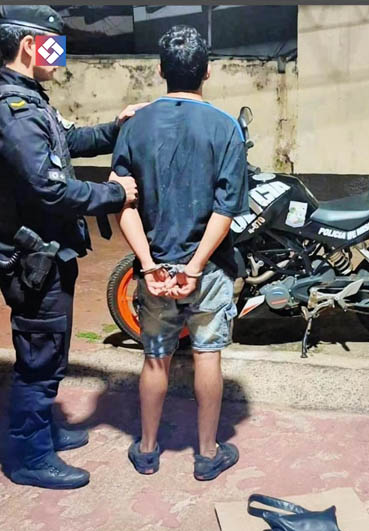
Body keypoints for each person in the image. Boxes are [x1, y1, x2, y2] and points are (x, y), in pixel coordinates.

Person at [0, 5, 141, 489]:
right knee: (39, 359)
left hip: (49, 252)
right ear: (28, 45)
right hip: (32, 257)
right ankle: (29, 457)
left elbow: (70, 141)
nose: (60, 59)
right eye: (54, 47)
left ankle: (40, 432)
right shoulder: (13, 111)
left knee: (50, 351)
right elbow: (50, 189)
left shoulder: (29, 99)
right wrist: (114, 194)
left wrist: (116, 128)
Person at [112, 25, 248, 481]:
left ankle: (147, 449)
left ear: (160, 71)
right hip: (206, 270)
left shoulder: (135, 126)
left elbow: (123, 204)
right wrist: (194, 267)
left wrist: (149, 264)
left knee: (155, 356)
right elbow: (226, 210)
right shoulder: (226, 128)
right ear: (207, 72)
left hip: (155, 270)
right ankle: (207, 455)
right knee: (208, 355)